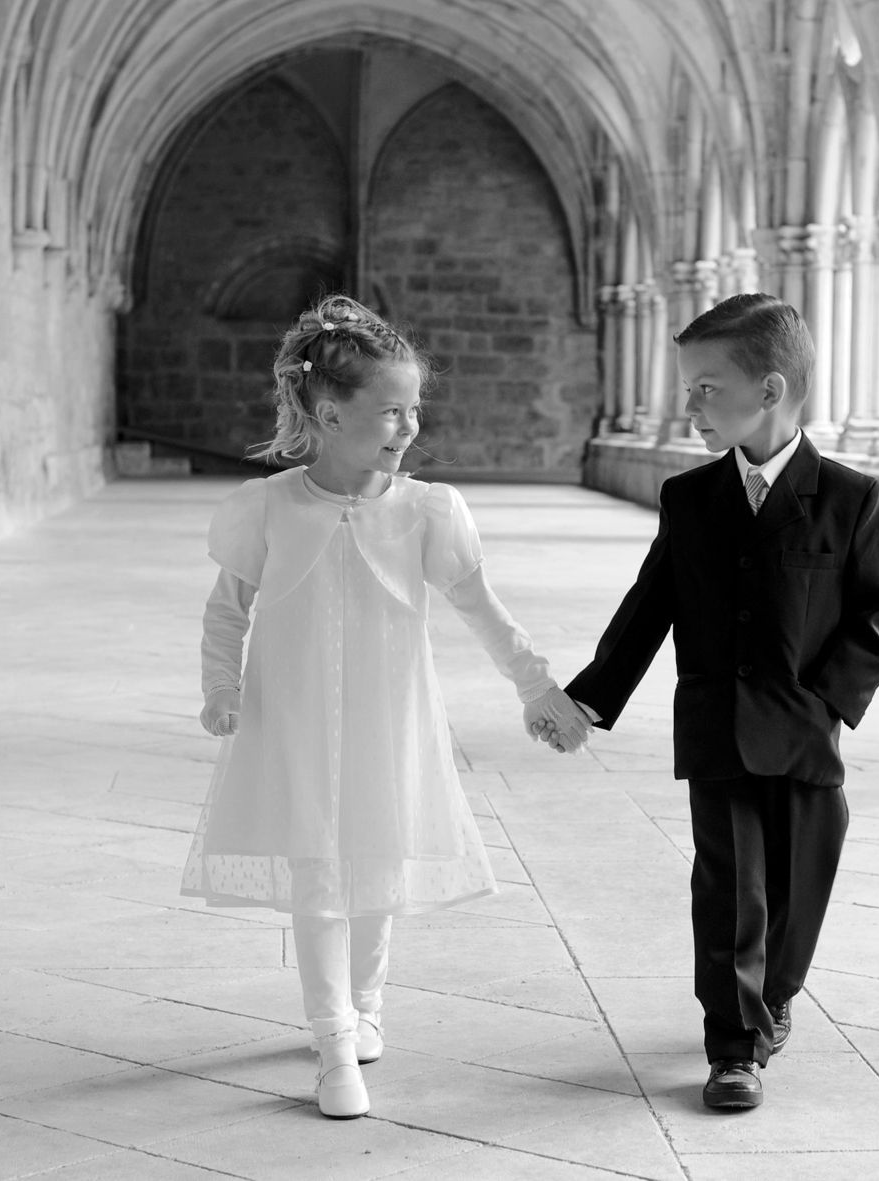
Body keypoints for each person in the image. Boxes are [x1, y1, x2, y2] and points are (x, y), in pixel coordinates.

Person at [182, 294, 591, 1120]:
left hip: (388, 722)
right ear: (329, 414)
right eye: (391, 411)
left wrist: (538, 684)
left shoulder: (426, 512)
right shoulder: (269, 509)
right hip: (291, 722)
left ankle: (366, 1002)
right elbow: (228, 608)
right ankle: (332, 1041)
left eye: (414, 410)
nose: (408, 427)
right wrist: (221, 687)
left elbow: (482, 607)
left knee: (377, 870)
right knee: (318, 880)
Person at [548, 293, 879, 1111]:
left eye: (707, 387)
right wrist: (586, 702)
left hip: (805, 733)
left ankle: (775, 993)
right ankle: (733, 1044)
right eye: (688, 386)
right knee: (730, 887)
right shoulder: (689, 499)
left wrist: (829, 705)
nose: (690, 404)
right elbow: (647, 608)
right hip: (715, 727)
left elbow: (874, 619)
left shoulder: (851, 498)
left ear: (770, 390)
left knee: (800, 885)